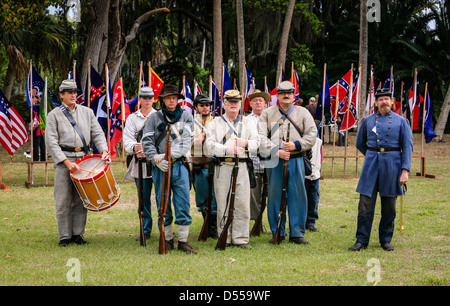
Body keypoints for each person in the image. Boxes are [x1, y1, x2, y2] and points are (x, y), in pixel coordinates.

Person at [45, 80, 110, 246]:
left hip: (83, 160)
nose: (73, 95)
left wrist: (104, 150)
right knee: (63, 200)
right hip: (63, 161)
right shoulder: (54, 115)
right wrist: (66, 163)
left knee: (81, 199)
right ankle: (64, 237)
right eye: (69, 92)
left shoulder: (87, 112)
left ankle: (77, 234)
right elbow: (51, 142)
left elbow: (98, 133)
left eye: (75, 91)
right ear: (61, 95)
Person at [349, 88, 413, 252]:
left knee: (389, 206)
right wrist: (372, 155)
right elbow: (360, 143)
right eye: (381, 99)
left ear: (392, 102)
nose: (384, 102)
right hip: (371, 167)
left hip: (392, 166)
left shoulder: (401, 121)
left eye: (387, 99)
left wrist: (404, 170)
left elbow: (407, 147)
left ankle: (385, 239)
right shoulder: (367, 121)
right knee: (365, 205)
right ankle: (361, 240)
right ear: (376, 103)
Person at [258, 81, 317, 245]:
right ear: (278, 95)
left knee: (298, 195)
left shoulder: (303, 112)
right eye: (283, 93)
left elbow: (312, 134)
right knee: (275, 196)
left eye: (289, 93)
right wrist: (276, 150)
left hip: (296, 158)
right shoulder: (267, 113)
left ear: (293, 95)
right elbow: (261, 136)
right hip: (274, 159)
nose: (286, 95)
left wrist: (296, 145)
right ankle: (278, 231)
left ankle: (297, 233)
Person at [141, 84, 196, 254]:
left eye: (174, 97)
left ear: (178, 99)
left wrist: (169, 156)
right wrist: (155, 159)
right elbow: (147, 141)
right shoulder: (153, 118)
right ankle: (167, 239)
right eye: (168, 97)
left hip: (179, 164)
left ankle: (183, 241)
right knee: (162, 202)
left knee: (183, 202)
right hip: (160, 166)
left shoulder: (186, 116)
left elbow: (187, 141)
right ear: (163, 100)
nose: (171, 100)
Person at [205, 89, 260, 248]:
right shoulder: (215, 123)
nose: (233, 104)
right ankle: (225, 237)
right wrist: (226, 150)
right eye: (230, 101)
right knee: (223, 202)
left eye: (236, 102)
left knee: (242, 203)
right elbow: (209, 145)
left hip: (242, 165)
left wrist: (246, 143)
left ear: (240, 104)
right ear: (224, 104)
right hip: (223, 166)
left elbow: (257, 143)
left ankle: (241, 238)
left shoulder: (248, 122)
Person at [123, 87, 157, 241]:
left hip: (156, 161)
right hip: (140, 163)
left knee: (162, 196)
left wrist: (149, 150)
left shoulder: (159, 116)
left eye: (150, 98)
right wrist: (136, 148)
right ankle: (146, 229)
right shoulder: (132, 118)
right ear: (140, 99)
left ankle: (166, 227)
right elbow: (127, 140)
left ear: (153, 99)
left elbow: (163, 140)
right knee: (143, 198)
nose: (147, 100)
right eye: (145, 98)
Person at [191, 94, 218, 238]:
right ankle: (206, 224)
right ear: (196, 107)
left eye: (207, 105)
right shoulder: (190, 123)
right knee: (202, 197)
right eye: (202, 105)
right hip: (198, 165)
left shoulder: (217, 122)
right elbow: (185, 143)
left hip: (214, 164)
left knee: (214, 196)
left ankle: (213, 228)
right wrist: (199, 139)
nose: (205, 108)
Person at [247, 89, 270, 223]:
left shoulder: (271, 118)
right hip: (254, 159)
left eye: (260, 100)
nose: (258, 103)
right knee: (254, 193)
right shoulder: (246, 120)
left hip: (270, 158)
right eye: (255, 100)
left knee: (269, 192)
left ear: (265, 103)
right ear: (250, 104)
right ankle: (257, 221)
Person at [305, 137, 322, 232]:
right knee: (302, 198)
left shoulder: (319, 142)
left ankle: (311, 221)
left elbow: (320, 157)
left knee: (313, 198)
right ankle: (302, 220)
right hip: (304, 174)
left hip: (315, 174)